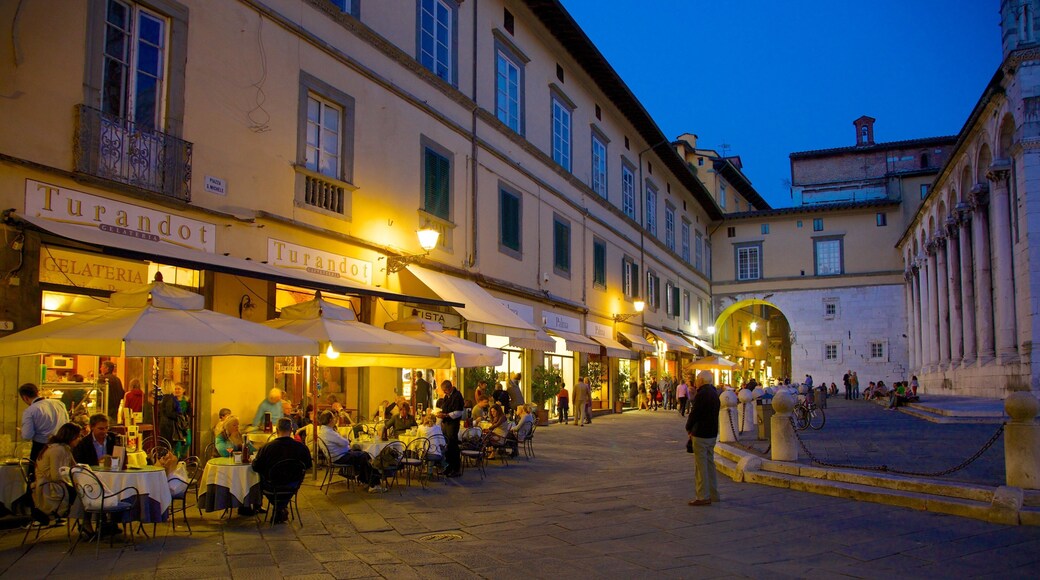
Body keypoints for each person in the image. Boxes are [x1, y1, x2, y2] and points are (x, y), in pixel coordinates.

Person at [251, 417, 312, 523]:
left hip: (271, 486)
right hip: (292, 485)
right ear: (291, 430)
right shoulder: (301, 447)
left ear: (277, 430)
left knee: (258, 477)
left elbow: (256, 467)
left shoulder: (267, 447)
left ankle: (275, 507)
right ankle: (281, 508)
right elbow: (308, 466)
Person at [30, 422, 81, 527]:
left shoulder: (64, 448)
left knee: (84, 491)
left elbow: (74, 466)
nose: (79, 439)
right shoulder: (58, 450)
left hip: (54, 484)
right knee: (84, 494)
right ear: (71, 436)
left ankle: (86, 524)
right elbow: (55, 476)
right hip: (49, 487)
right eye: (78, 436)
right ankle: (86, 524)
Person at [686, 370, 720, 506]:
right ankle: (713, 493)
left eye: (698, 379)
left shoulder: (702, 394)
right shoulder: (714, 393)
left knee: (701, 466)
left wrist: (689, 427)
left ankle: (702, 496)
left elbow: (695, 414)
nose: (697, 381)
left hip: (701, 433)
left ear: (702, 381)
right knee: (710, 463)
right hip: (712, 433)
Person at [19, 383, 70, 472]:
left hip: (41, 448)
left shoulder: (30, 411)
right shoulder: (59, 403)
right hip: (63, 446)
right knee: (62, 476)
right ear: (38, 392)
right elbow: (67, 424)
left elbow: (27, 435)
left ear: (25, 398)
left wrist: (22, 431)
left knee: (40, 478)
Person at [435, 380, 464, 477]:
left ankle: (455, 468)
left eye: (445, 390)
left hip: (453, 423)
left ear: (449, 388)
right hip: (446, 423)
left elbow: (459, 412)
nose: (444, 392)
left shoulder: (457, 396)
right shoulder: (447, 396)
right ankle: (448, 467)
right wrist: (442, 414)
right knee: (447, 444)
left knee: (452, 445)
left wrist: (446, 415)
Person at [160, 383, 191, 458]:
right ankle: (177, 458)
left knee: (188, 441)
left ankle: (182, 456)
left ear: (183, 390)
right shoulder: (172, 399)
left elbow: (189, 413)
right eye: (175, 388)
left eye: (179, 389)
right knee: (178, 443)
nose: (177, 390)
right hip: (176, 424)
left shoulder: (187, 401)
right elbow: (169, 412)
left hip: (184, 424)